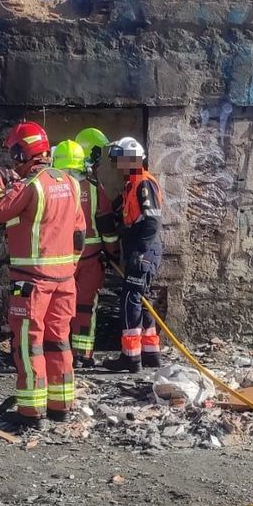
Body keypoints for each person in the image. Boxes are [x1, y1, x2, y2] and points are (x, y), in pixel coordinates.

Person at [0, 121, 86, 426]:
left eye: (15, 156)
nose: (13, 162)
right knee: (59, 341)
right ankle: (61, 406)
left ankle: (31, 412)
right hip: (65, 281)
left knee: (29, 344)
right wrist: (67, 269)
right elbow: (79, 236)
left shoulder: (31, 186)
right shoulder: (71, 182)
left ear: (22, 153)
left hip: (32, 283)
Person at [52, 137, 115, 366]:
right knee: (86, 306)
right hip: (89, 259)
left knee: (59, 306)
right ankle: (82, 354)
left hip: (60, 260)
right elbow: (106, 223)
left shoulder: (51, 188)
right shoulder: (94, 187)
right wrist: (114, 252)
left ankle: (60, 352)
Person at [103, 136, 163, 372]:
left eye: (120, 159)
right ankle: (150, 354)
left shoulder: (143, 184)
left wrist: (139, 251)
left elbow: (151, 222)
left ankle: (131, 357)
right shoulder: (132, 184)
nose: (118, 164)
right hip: (140, 249)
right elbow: (117, 211)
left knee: (131, 300)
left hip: (144, 250)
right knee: (143, 300)